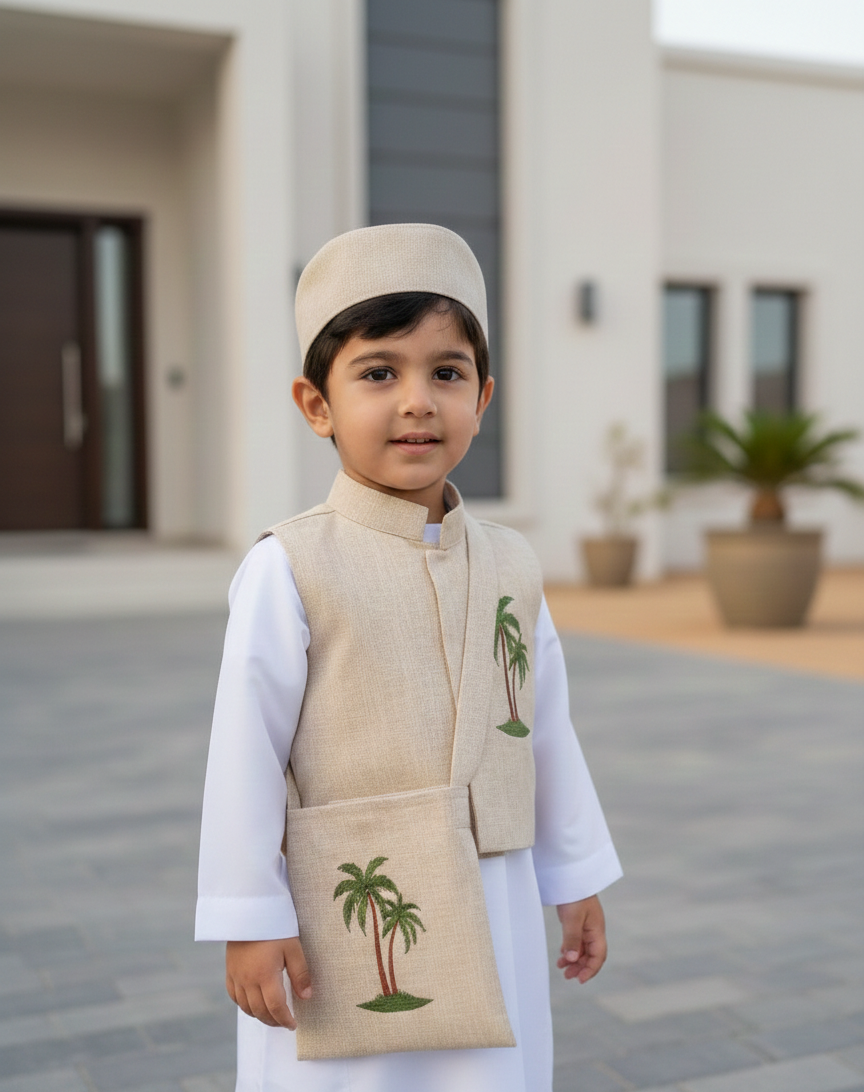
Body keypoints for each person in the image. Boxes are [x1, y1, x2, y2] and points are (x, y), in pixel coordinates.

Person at [196, 223, 622, 1092]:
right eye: (379, 373)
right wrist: (250, 916)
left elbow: (543, 728)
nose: (418, 400)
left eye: (447, 373)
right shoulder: (290, 566)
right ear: (316, 404)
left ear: (483, 397)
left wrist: (573, 876)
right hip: (348, 901)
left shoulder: (512, 563)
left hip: (496, 893)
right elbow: (244, 751)